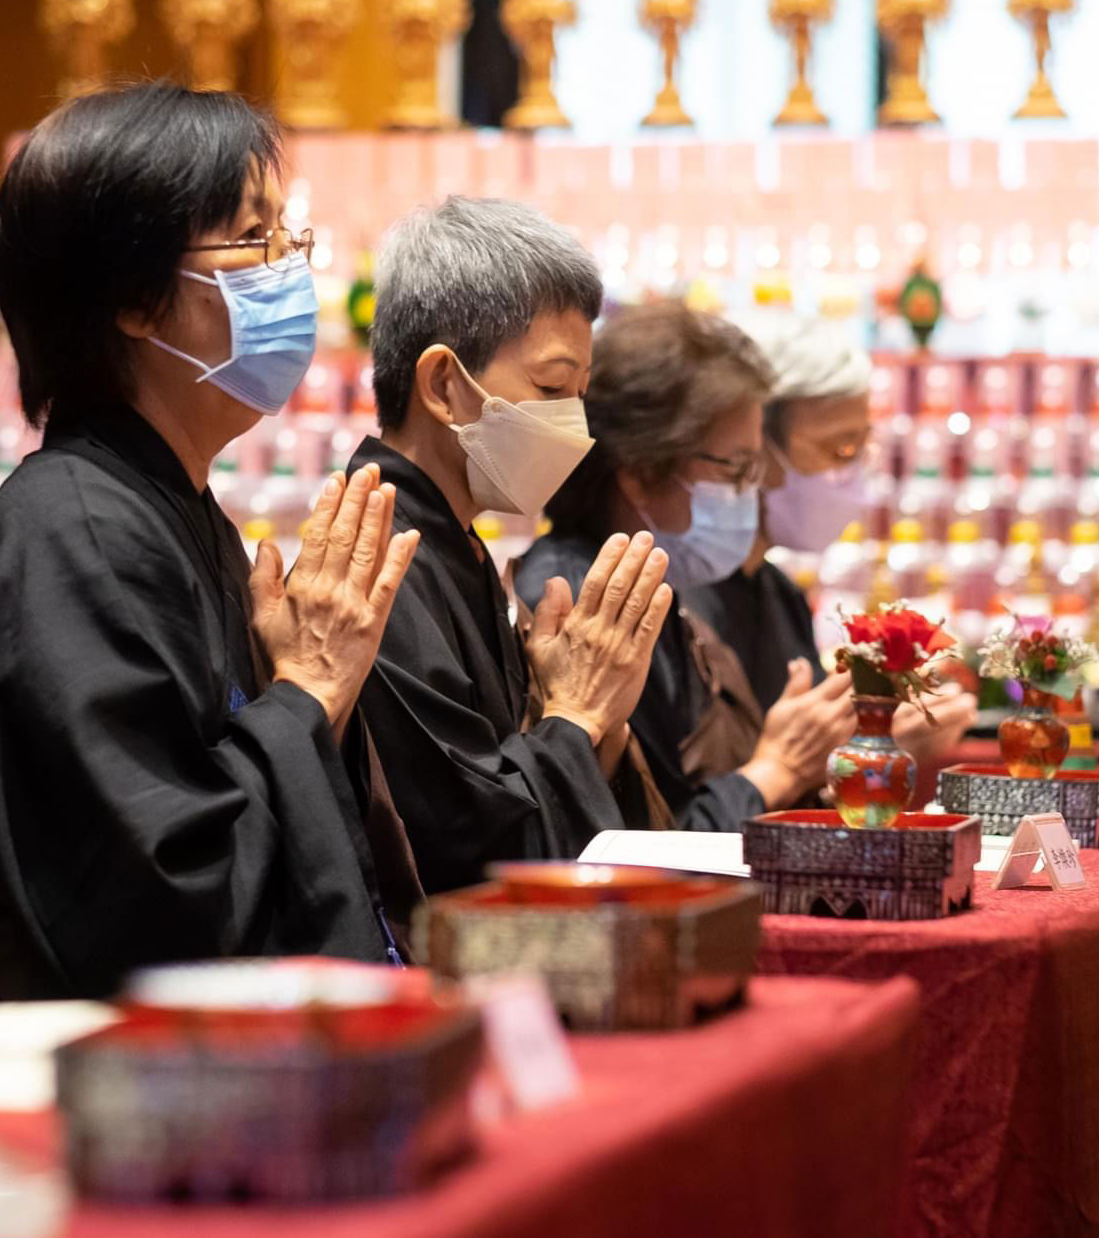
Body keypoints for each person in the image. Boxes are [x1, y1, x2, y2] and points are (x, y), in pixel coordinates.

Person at [0, 82, 422, 1034]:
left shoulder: (171, 510)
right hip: (63, 1105)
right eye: (251, 241)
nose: (286, 273)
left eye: (286, 240)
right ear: (137, 300)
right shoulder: (71, 536)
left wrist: (307, 697)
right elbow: (158, 904)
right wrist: (307, 694)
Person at [350, 197, 671, 895]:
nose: (574, 424)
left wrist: (595, 724)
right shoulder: (378, 555)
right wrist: (576, 714)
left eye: (579, 395)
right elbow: (465, 845)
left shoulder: (453, 540)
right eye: (551, 386)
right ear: (442, 384)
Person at [516, 302, 856, 830]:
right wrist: (773, 772)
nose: (753, 491)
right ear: (641, 473)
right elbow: (639, 840)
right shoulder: (579, 599)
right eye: (737, 470)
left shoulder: (660, 584)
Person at [687, 323, 974, 762]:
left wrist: (874, 740)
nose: (855, 476)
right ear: (752, 445)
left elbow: (805, 775)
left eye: (863, 449)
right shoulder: (685, 597)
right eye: (841, 450)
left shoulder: (781, 596)